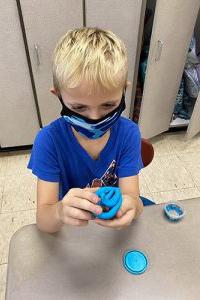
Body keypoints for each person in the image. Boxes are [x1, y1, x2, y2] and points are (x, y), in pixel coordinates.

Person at [28, 27, 149, 233]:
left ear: (124, 90)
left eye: (108, 105)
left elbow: (134, 200)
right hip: (74, 223)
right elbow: (44, 219)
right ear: (58, 95)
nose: (95, 118)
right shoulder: (49, 141)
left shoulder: (129, 133)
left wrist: (132, 207)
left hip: (112, 226)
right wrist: (59, 212)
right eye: (79, 108)